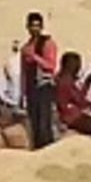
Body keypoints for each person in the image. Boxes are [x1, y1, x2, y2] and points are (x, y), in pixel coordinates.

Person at [20, 12, 58, 149]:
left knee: (44, 122)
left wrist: (34, 57)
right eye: (32, 26)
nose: (34, 29)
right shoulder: (26, 47)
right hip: (32, 88)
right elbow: (23, 72)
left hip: (44, 86)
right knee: (34, 122)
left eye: (37, 26)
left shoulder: (48, 43)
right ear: (27, 27)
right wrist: (23, 92)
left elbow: (51, 66)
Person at [56, 52, 91, 136]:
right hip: (71, 117)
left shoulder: (67, 79)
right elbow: (75, 101)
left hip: (75, 114)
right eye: (77, 65)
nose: (79, 68)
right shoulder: (66, 81)